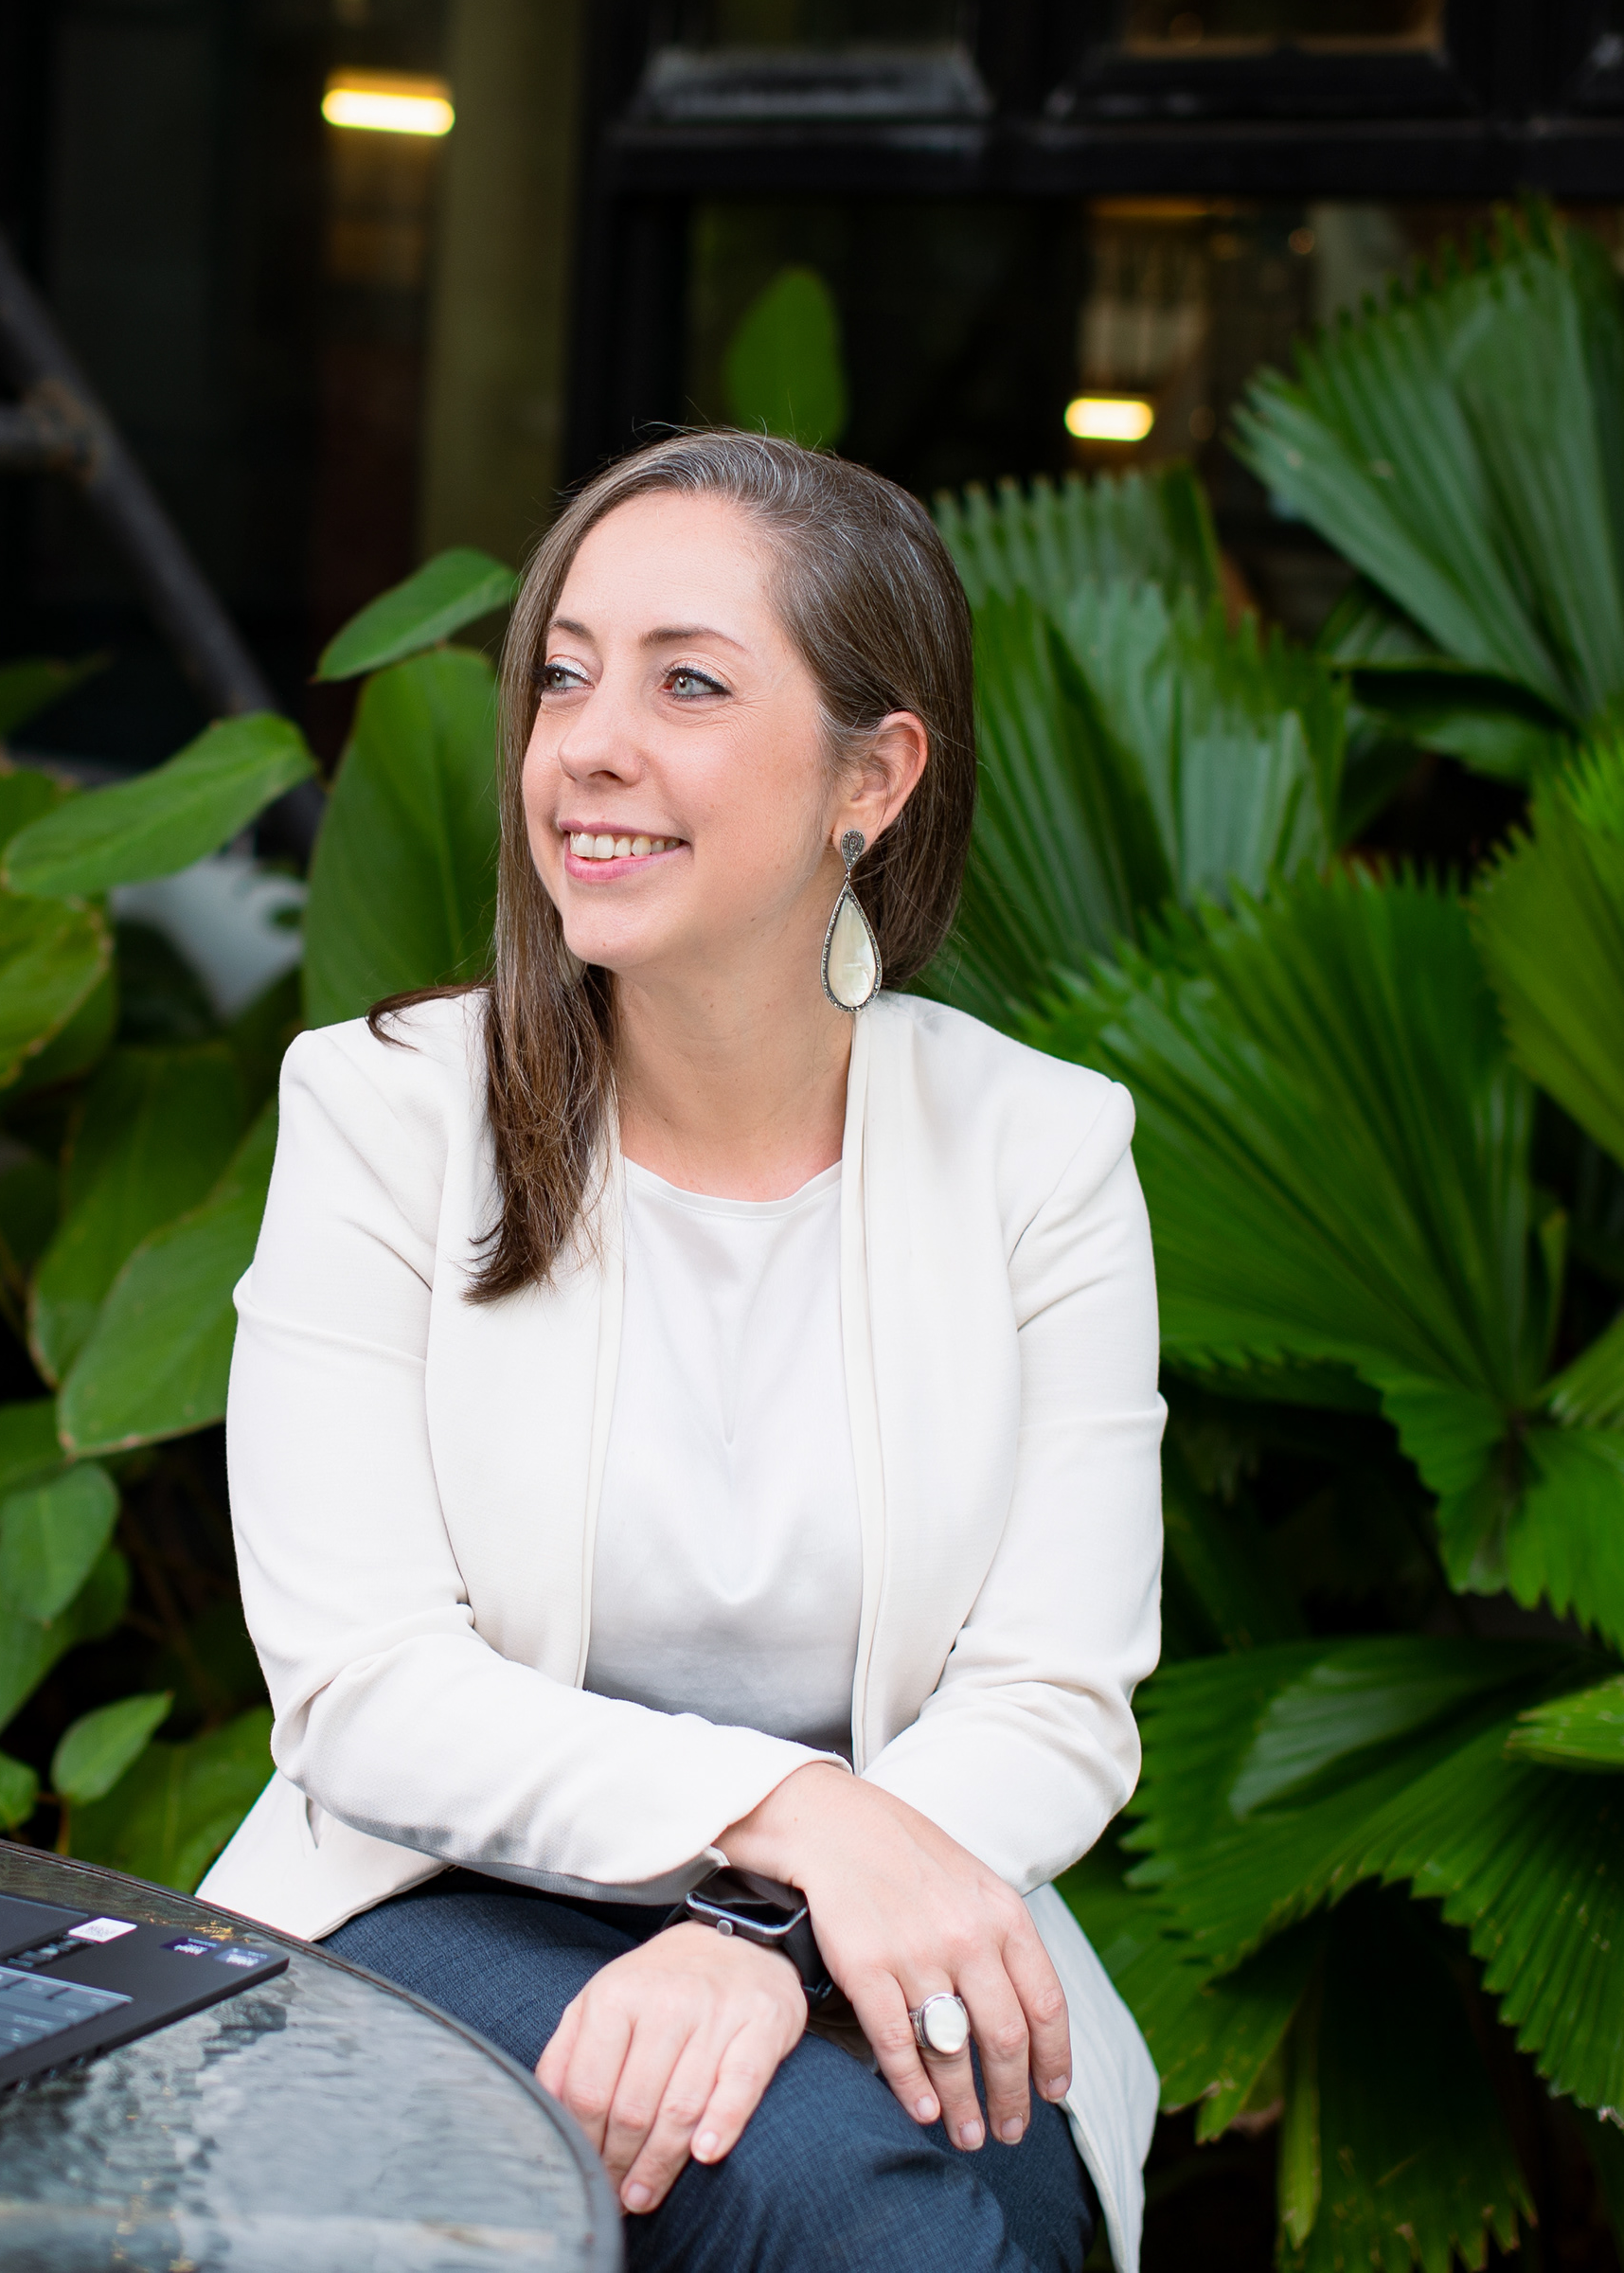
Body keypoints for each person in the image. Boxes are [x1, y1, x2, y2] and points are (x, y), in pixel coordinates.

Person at [203, 428, 1164, 2271]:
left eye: (689, 682)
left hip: (894, 1915)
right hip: (432, 1883)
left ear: (871, 776)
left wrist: (765, 1938)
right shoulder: (384, 1115)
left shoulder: (1044, 1154)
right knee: (854, 2195)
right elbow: (361, 1685)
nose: (589, 741)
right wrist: (786, 1816)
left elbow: (1054, 1695)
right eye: (563, 672)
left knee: (1012, 2190)